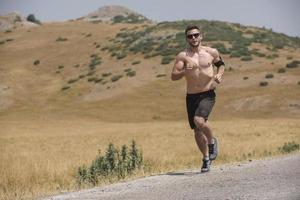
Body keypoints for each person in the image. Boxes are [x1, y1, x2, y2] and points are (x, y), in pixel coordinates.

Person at [171, 25, 225, 173]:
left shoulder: (211, 52)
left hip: (207, 93)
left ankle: (212, 141)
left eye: (196, 35)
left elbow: (221, 65)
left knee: (199, 120)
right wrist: (184, 71)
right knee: (196, 130)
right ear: (187, 38)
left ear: (201, 36)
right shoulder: (183, 56)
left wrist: (219, 74)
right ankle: (206, 158)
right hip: (191, 96)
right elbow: (173, 76)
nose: (193, 38)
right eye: (190, 36)